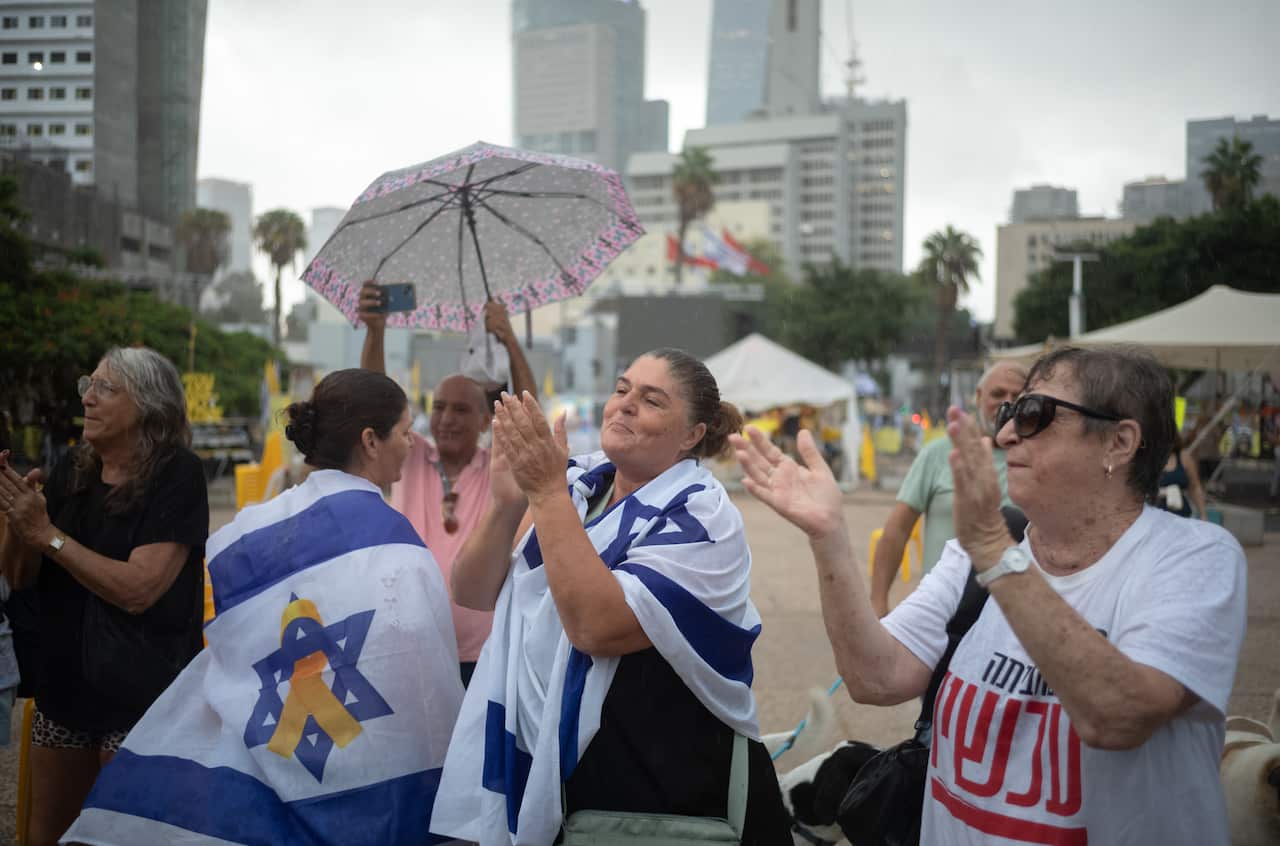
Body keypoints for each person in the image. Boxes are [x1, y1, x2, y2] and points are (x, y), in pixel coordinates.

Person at [733, 345, 1247, 844]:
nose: (1004, 434)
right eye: (1007, 412)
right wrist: (828, 538)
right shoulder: (973, 556)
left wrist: (995, 553)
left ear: (1118, 442)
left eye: (1033, 413)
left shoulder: (1193, 557)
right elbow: (874, 677)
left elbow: (1118, 714)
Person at [62, 368, 464, 845]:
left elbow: (236, 647)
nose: (413, 441)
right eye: (404, 430)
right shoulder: (394, 541)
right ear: (370, 441)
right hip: (359, 759)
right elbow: (421, 680)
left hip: (271, 743)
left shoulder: (245, 533)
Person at [431, 349, 792, 844]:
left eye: (651, 400)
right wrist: (507, 504)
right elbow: (470, 590)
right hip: (559, 775)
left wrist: (546, 493)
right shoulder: (580, 483)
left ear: (692, 435)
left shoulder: (704, 517)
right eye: (622, 390)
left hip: (656, 795)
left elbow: (596, 628)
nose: (623, 405)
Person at [0, 347, 207, 846]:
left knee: (124, 835)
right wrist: (18, 523)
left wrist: (47, 533)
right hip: (65, 688)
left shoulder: (177, 473)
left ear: (149, 405)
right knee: (47, 832)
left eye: (105, 388)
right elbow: (20, 577)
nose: (88, 399)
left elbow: (140, 590)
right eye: (87, 386)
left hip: (142, 693)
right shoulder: (74, 466)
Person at [359, 281, 536, 687]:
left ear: (485, 419)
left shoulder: (500, 468)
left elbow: (529, 415)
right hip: (407, 644)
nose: (447, 419)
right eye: (439, 407)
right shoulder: (411, 456)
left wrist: (508, 339)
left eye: (461, 409)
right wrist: (376, 331)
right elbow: (372, 403)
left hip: (484, 653)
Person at [870, 361, 1027, 617]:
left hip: (1010, 620)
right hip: (940, 615)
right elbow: (896, 531)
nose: (1006, 403)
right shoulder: (938, 454)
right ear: (978, 396)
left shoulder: (1035, 462)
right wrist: (878, 603)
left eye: (1018, 396)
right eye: (997, 394)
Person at [1156, 431, 1207, 518]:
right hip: (1155, 513)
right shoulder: (1148, 460)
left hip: (1181, 514)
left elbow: (1195, 487)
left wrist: (1203, 515)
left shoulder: (1184, 457)